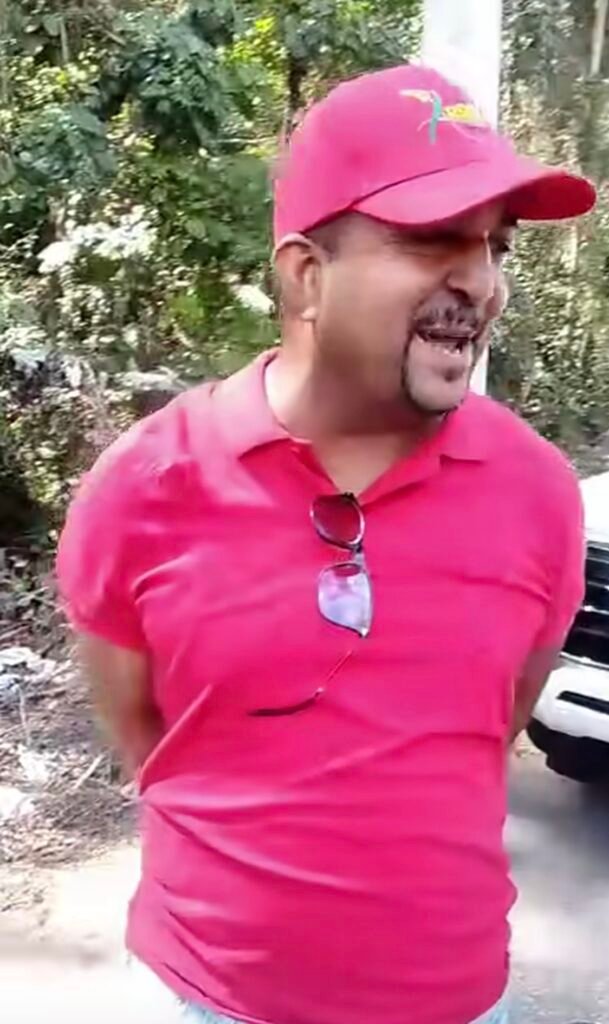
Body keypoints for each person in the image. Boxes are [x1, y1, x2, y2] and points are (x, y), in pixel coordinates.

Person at [57, 64, 596, 1024]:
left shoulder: (538, 494)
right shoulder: (144, 487)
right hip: (205, 1001)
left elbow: (493, 722)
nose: (478, 282)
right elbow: (151, 742)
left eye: (494, 245)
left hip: (456, 1004)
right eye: (432, 237)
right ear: (307, 274)